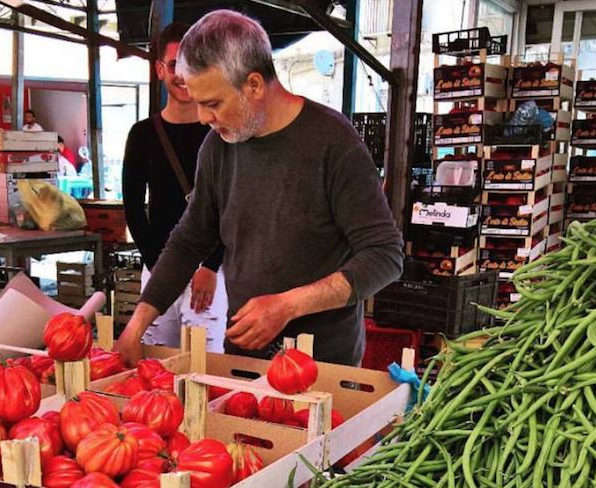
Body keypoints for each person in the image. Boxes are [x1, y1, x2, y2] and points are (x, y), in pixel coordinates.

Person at [115, 10, 403, 366]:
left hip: (323, 364)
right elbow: (189, 241)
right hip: (245, 357)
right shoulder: (218, 147)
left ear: (253, 85)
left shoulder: (333, 142)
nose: (204, 117)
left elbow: (385, 255)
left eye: (213, 103)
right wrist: (138, 323)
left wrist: (288, 305)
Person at [121, 22, 228, 352]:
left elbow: (232, 205)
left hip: (210, 270)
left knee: (204, 362)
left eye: (191, 65)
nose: (182, 75)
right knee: (154, 361)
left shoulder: (222, 132)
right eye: (173, 65)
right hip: (159, 264)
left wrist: (211, 266)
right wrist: (158, 267)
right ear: (159, 70)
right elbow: (134, 208)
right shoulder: (142, 134)